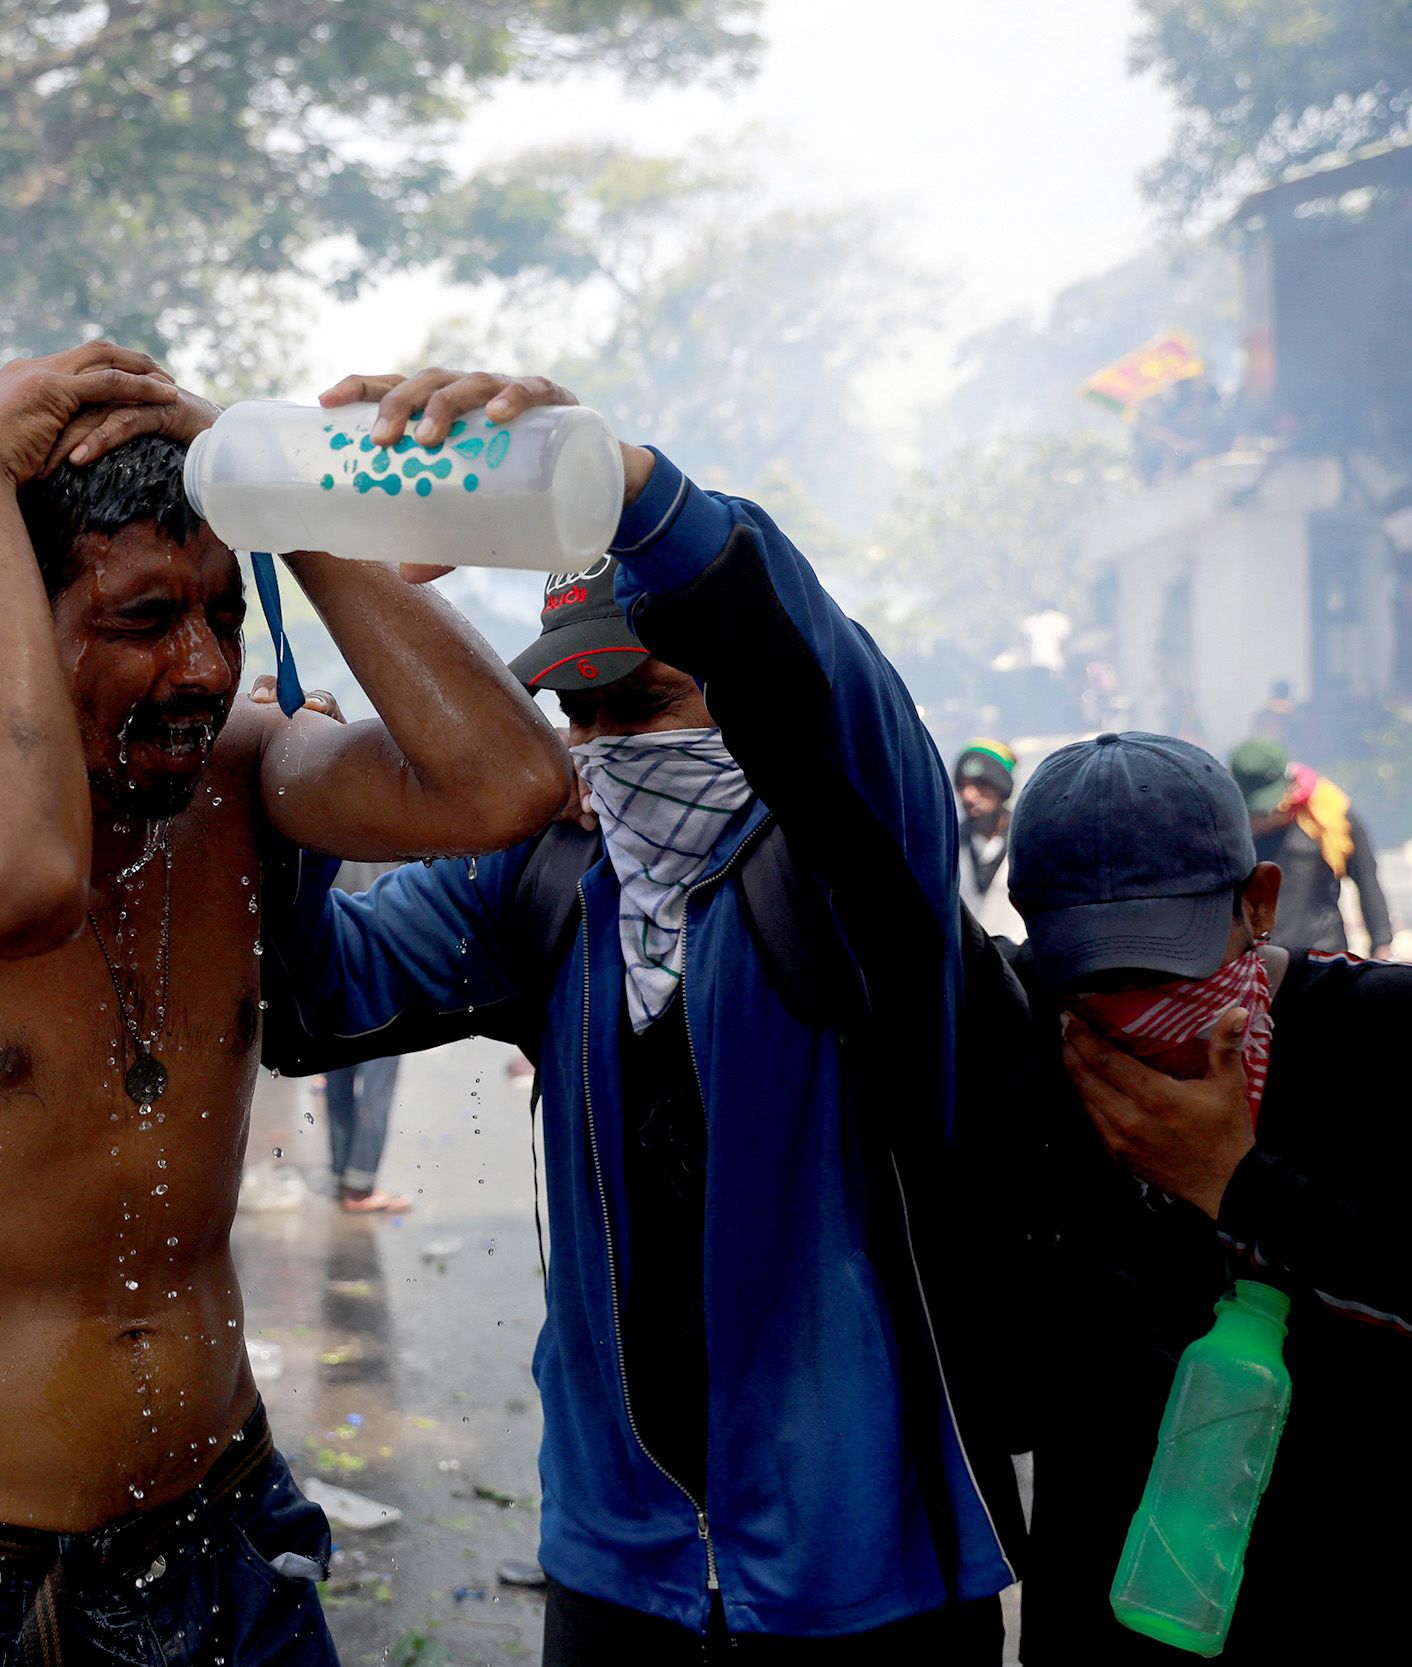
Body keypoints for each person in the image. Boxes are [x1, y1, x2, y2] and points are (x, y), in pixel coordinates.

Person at [0, 343, 570, 1665]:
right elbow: (7, 885)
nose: (204, 666)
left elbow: (505, 781)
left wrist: (292, 503)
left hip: (227, 1518)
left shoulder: (241, 778)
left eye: (222, 610)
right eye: (144, 619)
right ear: (5, 630)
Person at [260, 373, 1025, 1661]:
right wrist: (300, 803)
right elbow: (317, 997)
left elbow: (819, 683)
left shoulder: (859, 863)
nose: (607, 746)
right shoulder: (551, 879)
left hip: (864, 1569)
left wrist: (624, 488)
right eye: (578, 711)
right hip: (618, 1565)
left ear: (730, 685)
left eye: (648, 701)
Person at [1004, 733, 1412, 1662]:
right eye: (1096, 970)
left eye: (1168, 961)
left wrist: (1235, 1183)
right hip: (1105, 1617)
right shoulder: (1029, 1037)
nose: (1132, 1001)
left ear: (1258, 904)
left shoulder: (1386, 1041)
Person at [1224, 737, 1395, 958]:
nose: (1268, 813)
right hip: (1253, 960)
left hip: (1320, 958)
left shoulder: (1328, 815)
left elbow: (1367, 879)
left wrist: (1381, 944)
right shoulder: (1226, 825)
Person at [320, 861, 410, 1213]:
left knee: (338, 1080)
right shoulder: (393, 826)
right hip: (382, 969)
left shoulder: (328, 824)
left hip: (331, 962)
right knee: (377, 1087)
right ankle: (359, 1187)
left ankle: (342, 1172)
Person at [953, 738, 1025, 940]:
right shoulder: (947, 848)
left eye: (980, 785)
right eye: (962, 786)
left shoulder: (1027, 844)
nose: (968, 795)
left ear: (1001, 788)